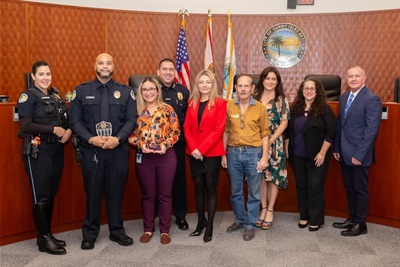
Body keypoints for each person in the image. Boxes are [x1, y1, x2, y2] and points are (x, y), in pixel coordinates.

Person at [69, 53, 137, 250]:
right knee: (93, 192)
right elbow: (75, 120)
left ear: (113, 66)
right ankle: (90, 233)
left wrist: (118, 139)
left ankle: (117, 231)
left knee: (116, 192)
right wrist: (91, 138)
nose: (105, 66)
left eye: (108, 63)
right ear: (95, 66)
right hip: (92, 152)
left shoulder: (125, 92)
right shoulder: (82, 91)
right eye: (101, 63)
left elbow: (132, 119)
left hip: (118, 151)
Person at [17, 61, 71, 255]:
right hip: (38, 151)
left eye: (48, 73)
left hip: (57, 149)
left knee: (50, 192)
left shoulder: (55, 94)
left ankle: (46, 235)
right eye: (41, 74)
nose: (45, 77)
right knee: (40, 194)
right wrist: (53, 129)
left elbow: (66, 119)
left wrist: (68, 130)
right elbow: (25, 125)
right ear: (33, 76)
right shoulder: (28, 97)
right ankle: (44, 239)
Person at [128, 77, 180, 245]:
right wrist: (140, 145)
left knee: (164, 195)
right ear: (140, 92)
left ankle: (165, 231)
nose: (148, 92)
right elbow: (129, 135)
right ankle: (148, 229)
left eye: (152, 89)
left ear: (158, 91)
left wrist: (165, 144)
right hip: (144, 158)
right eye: (145, 89)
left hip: (166, 157)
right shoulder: (135, 111)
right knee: (148, 195)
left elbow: (176, 131)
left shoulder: (167, 109)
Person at [332, 65, 382, 236]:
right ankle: (352, 218)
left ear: (364, 78)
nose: (353, 79)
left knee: (360, 189)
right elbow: (341, 125)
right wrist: (337, 147)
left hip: (360, 154)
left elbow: (371, 130)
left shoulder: (371, 99)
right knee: (350, 187)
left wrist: (359, 154)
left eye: (357, 76)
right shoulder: (344, 96)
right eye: (350, 76)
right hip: (344, 153)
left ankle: (361, 224)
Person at [222, 75, 270, 241]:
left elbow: (265, 134)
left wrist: (264, 157)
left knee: (254, 192)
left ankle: (250, 224)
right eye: (240, 86)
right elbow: (226, 131)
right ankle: (240, 219)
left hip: (254, 153)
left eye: (246, 86)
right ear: (236, 88)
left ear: (252, 89)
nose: (243, 89)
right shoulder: (228, 106)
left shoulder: (260, 108)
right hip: (233, 153)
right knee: (235, 191)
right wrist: (223, 154)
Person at [285, 78, 337, 231]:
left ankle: (315, 219)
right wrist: (287, 147)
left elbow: (331, 132)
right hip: (297, 156)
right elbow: (288, 130)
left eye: (312, 88)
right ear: (301, 91)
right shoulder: (295, 108)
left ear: (318, 91)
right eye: (305, 88)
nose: (308, 91)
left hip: (317, 156)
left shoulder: (324, 109)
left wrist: (322, 153)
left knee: (315, 186)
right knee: (301, 186)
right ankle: (304, 216)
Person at [183, 70, 227, 243]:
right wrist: (194, 148)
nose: (204, 85)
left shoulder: (220, 103)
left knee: (210, 186)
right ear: (197, 85)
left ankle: (210, 225)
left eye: (207, 82)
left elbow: (219, 130)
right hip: (194, 152)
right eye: (201, 82)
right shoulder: (191, 102)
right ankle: (201, 221)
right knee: (198, 186)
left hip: (211, 153)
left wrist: (202, 149)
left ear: (213, 84)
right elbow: (186, 128)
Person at [253, 66, 289, 230]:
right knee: (260, 176)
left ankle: (271, 210)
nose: (270, 81)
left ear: (277, 82)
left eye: (274, 79)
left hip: (274, 144)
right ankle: (263, 208)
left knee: (274, 177)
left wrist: (269, 140)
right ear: (262, 79)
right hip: (255, 142)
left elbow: (284, 122)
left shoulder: (281, 98)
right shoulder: (255, 97)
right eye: (267, 78)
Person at [157, 58, 190, 230]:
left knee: (178, 180)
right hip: (155, 146)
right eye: (165, 69)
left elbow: (189, 119)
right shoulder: (151, 90)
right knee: (156, 181)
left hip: (177, 144)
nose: (168, 72)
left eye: (171, 69)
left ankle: (180, 216)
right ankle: (156, 216)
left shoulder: (183, 91)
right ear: (158, 72)